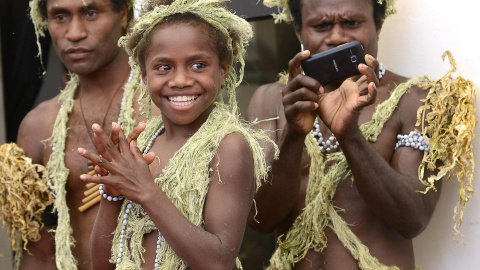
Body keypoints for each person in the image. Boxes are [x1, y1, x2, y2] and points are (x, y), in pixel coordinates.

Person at [247, 0, 475, 269]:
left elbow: (413, 218)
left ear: (378, 25)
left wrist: (350, 136)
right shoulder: (271, 99)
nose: (337, 37)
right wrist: (294, 136)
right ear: (298, 31)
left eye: (352, 23)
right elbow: (259, 220)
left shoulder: (419, 100)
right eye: (321, 26)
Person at [77, 0, 275, 269]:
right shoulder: (142, 146)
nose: (180, 80)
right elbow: (102, 264)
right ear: (145, 76)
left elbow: (218, 262)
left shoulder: (228, 146)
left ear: (222, 71)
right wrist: (112, 194)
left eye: (198, 65)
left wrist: (146, 191)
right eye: (164, 67)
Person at [8, 0, 143, 269]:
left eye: (90, 12)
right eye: (60, 16)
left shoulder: (163, 106)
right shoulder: (38, 126)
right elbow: (40, 253)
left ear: (123, 14)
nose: (74, 32)